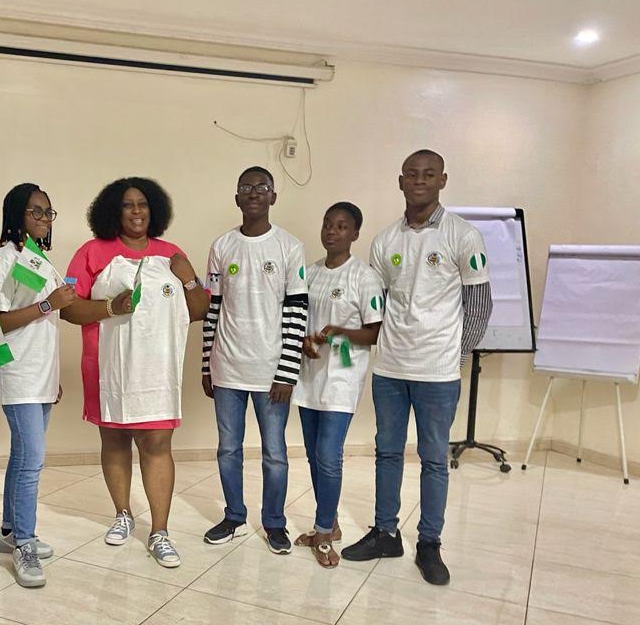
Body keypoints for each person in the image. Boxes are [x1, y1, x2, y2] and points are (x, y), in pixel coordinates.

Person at [341, 150, 492, 585]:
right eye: (412, 174)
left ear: (442, 180)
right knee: (387, 452)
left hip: (437, 372)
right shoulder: (385, 240)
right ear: (401, 181)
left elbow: (479, 306)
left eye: (429, 174)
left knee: (433, 459)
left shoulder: (463, 236)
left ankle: (429, 543)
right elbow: (376, 305)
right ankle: (385, 533)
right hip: (390, 367)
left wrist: (455, 356)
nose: (419, 181)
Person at [62, 177, 208, 568]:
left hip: (158, 370)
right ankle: (123, 513)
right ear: (114, 210)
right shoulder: (92, 252)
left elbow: (197, 309)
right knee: (114, 441)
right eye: (127, 204)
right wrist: (111, 308)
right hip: (106, 367)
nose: (137, 211)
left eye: (142, 203)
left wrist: (188, 276)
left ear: (154, 209)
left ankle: (159, 531)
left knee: (157, 445)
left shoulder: (172, 254)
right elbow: (69, 308)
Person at [201, 166, 308, 554]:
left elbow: (297, 312)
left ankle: (274, 522)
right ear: (237, 197)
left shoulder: (289, 247)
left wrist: (287, 372)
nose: (254, 193)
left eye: (262, 187)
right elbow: (213, 309)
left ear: (273, 197)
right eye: (246, 187)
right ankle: (233, 515)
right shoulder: (221, 246)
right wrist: (206, 364)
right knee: (228, 449)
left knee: (274, 454)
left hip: (271, 372)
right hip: (227, 367)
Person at [0, 183, 75, 587]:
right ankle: (24, 542)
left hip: (40, 376)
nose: (43, 218)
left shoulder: (38, 258)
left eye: (48, 212)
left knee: (23, 456)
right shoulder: (6, 259)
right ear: (16, 213)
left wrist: (52, 377)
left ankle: (9, 531)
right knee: (32, 459)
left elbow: (42, 326)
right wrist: (49, 303)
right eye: (34, 211)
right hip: (18, 373)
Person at [292, 202, 382, 567]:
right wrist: (305, 341)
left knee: (329, 456)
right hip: (309, 377)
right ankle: (328, 522)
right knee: (315, 455)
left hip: (342, 377)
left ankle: (324, 533)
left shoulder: (364, 277)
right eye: (328, 224)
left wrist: (339, 333)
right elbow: (300, 319)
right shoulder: (310, 273)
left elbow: (374, 332)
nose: (332, 231)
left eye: (342, 226)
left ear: (355, 233)